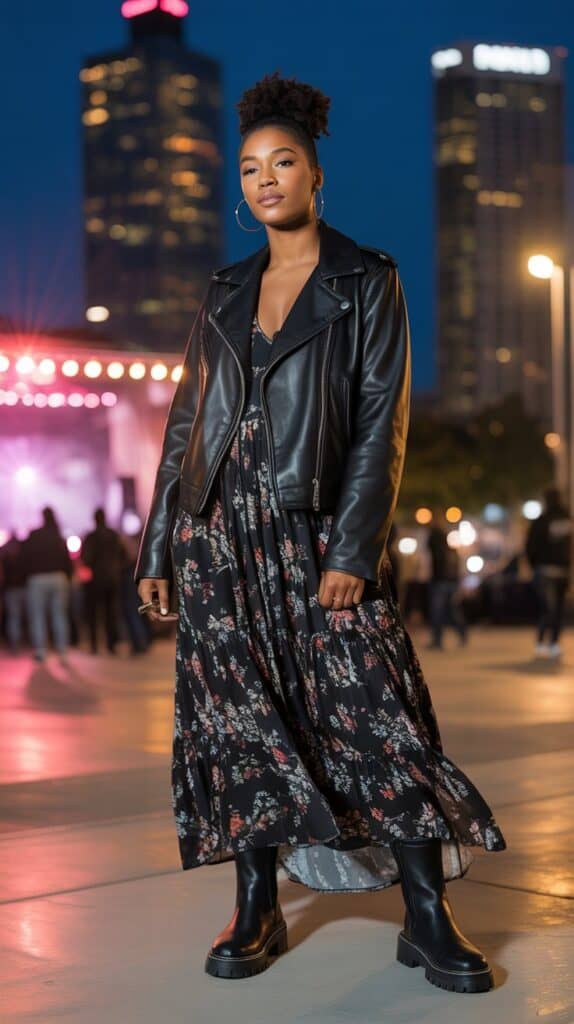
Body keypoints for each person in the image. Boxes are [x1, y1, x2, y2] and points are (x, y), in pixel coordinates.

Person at [135, 72, 506, 993]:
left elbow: (384, 424)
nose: (267, 180)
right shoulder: (224, 290)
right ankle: (256, 905)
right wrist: (156, 548)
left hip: (312, 531)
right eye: (252, 167)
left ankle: (427, 916)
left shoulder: (364, 279)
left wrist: (353, 549)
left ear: (315, 176)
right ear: (242, 186)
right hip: (216, 533)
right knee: (240, 724)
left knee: (375, 715)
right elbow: (187, 425)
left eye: (284, 163)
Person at [525, 486, 572, 658]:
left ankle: (545, 642)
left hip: (546, 570)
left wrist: (534, 565)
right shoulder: (566, 519)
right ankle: (550, 643)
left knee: (549, 609)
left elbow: (530, 546)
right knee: (555, 609)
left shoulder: (541, 521)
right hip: (559, 570)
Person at [21, 507, 72, 663]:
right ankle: (62, 651)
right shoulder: (58, 535)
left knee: (38, 616)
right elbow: (67, 559)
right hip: (58, 577)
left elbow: (24, 557)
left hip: (37, 579)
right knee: (59, 616)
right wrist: (67, 577)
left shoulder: (34, 535)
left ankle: (41, 651)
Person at [81, 508, 127, 655]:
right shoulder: (113, 535)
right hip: (112, 578)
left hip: (96, 579)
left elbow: (86, 558)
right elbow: (124, 555)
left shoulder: (91, 537)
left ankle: (94, 645)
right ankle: (111, 645)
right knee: (111, 613)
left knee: (93, 613)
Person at [426, 511, 468, 649]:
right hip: (449, 580)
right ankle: (462, 633)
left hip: (440, 580)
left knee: (438, 610)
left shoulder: (436, 540)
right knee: (450, 609)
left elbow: (436, 560)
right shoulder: (448, 544)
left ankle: (438, 640)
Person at [0, 531, 28, 653]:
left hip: (10, 589)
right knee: (28, 617)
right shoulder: (24, 551)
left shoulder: (4, 551)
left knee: (13, 617)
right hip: (24, 587)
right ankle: (26, 642)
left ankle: (15, 645)